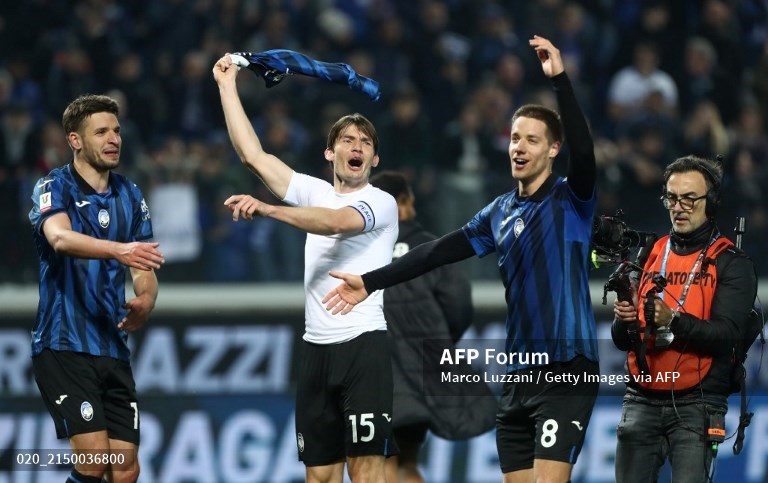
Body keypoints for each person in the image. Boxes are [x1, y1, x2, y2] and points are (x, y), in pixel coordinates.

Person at [323, 35, 600, 483]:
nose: (519, 147)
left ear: (553, 150)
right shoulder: (499, 212)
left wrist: (560, 82)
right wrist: (370, 281)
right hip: (518, 373)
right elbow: (434, 252)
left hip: (566, 367)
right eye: (514, 138)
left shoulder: (571, 201)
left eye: (532, 140)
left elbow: (585, 153)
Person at [212, 54, 399, 483]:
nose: (356, 147)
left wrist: (269, 210)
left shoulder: (380, 203)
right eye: (348, 140)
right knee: (320, 477)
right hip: (315, 350)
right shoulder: (313, 191)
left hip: (362, 347)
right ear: (330, 152)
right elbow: (253, 156)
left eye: (365, 143)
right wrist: (227, 86)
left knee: (367, 473)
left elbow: (334, 223)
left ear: (374, 160)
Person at [28, 94, 163, 483]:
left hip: (111, 346)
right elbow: (61, 239)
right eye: (101, 131)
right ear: (75, 140)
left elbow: (144, 264)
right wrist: (119, 250)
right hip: (63, 344)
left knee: (125, 471)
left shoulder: (131, 195)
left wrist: (146, 299)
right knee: (94, 461)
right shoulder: (53, 185)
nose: (113, 139)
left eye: (116, 131)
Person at [611, 155, 758, 483]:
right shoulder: (649, 253)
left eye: (690, 198)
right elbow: (622, 340)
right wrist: (626, 319)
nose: (679, 206)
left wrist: (672, 320)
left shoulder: (732, 262)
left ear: (713, 201)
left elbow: (728, 335)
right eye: (672, 198)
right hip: (641, 396)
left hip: (699, 403)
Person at [369, 171, 495, 483]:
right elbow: (459, 305)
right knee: (408, 464)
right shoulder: (430, 247)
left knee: (382, 465)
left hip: (377, 373)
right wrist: (439, 341)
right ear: (403, 202)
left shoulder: (361, 250)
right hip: (422, 369)